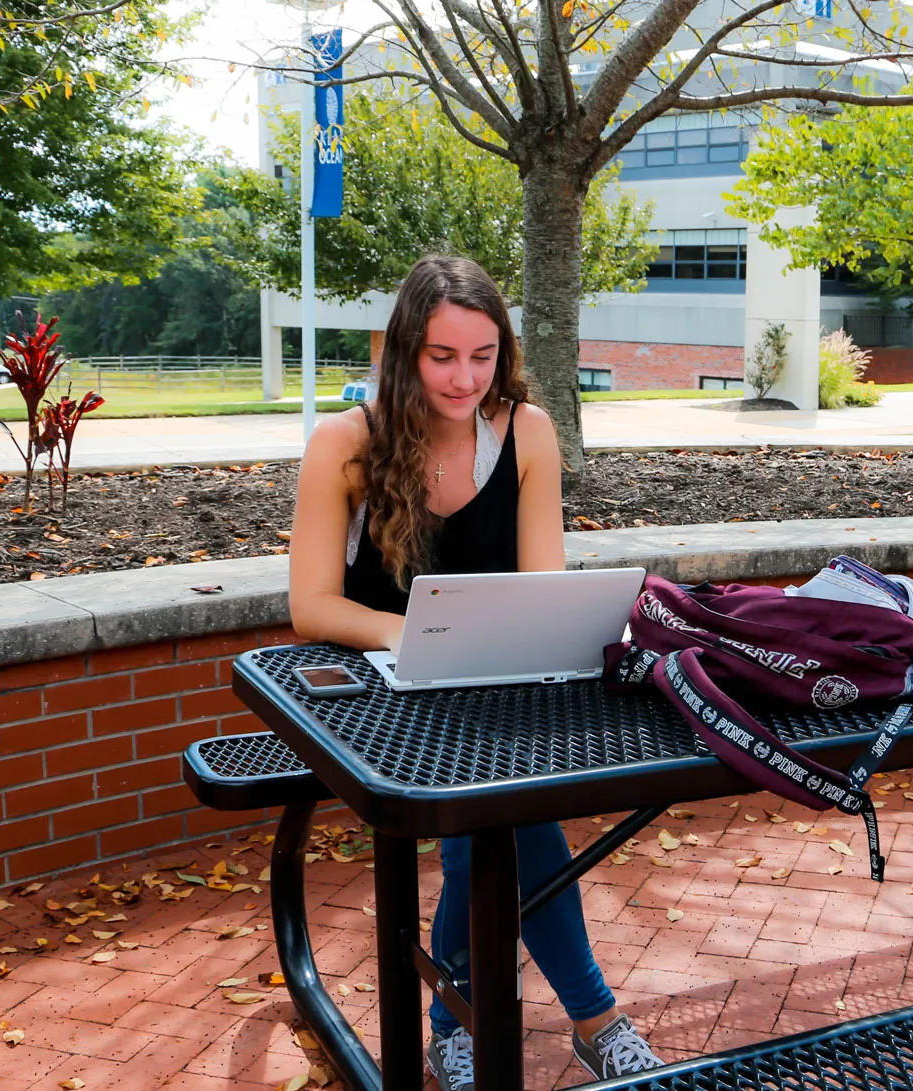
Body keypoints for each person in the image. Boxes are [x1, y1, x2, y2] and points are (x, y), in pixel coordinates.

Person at [287, 255, 664, 1089]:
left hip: (492, 689)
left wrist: (490, 644)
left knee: (496, 818)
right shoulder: (344, 444)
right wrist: (428, 635)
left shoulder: (525, 431)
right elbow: (311, 607)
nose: (465, 378)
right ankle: (593, 1018)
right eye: (441, 355)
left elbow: (543, 588)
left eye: (483, 355)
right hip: (382, 696)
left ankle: (455, 1024)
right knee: (504, 817)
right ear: (401, 352)